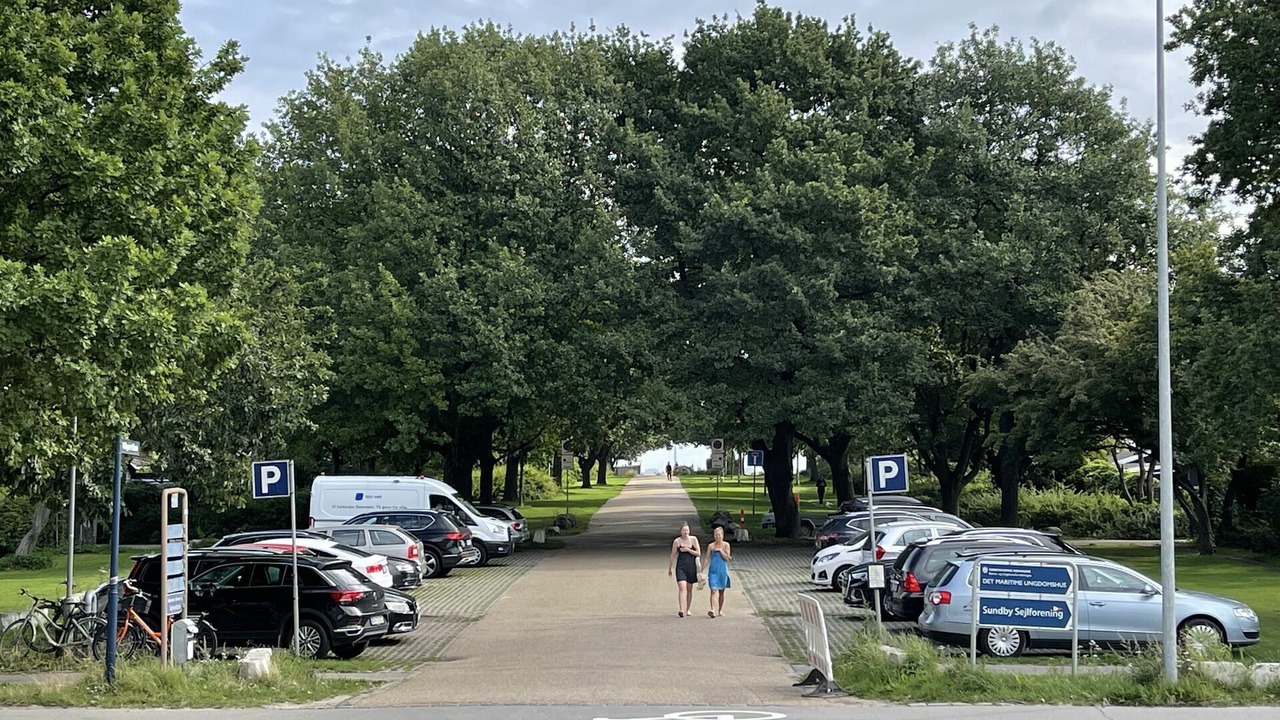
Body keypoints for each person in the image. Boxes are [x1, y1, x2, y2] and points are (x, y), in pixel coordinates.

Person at [667, 521, 700, 617]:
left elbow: (698, 553)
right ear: (680, 531)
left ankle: (688, 609)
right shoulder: (677, 541)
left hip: (691, 566)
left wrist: (688, 550)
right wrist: (670, 568)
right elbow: (673, 555)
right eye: (684, 530)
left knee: (689, 589)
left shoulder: (694, 539)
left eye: (687, 530)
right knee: (682, 587)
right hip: (681, 567)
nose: (686, 532)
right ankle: (681, 609)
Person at [704, 526, 732, 617]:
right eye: (716, 535)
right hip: (713, 570)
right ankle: (712, 609)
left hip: (722, 570)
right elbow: (707, 558)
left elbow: (727, 557)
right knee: (713, 589)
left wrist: (720, 551)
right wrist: (701, 569)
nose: (718, 537)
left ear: (722, 535)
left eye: (719, 535)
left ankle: (720, 610)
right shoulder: (711, 546)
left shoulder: (726, 545)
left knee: (721, 591)